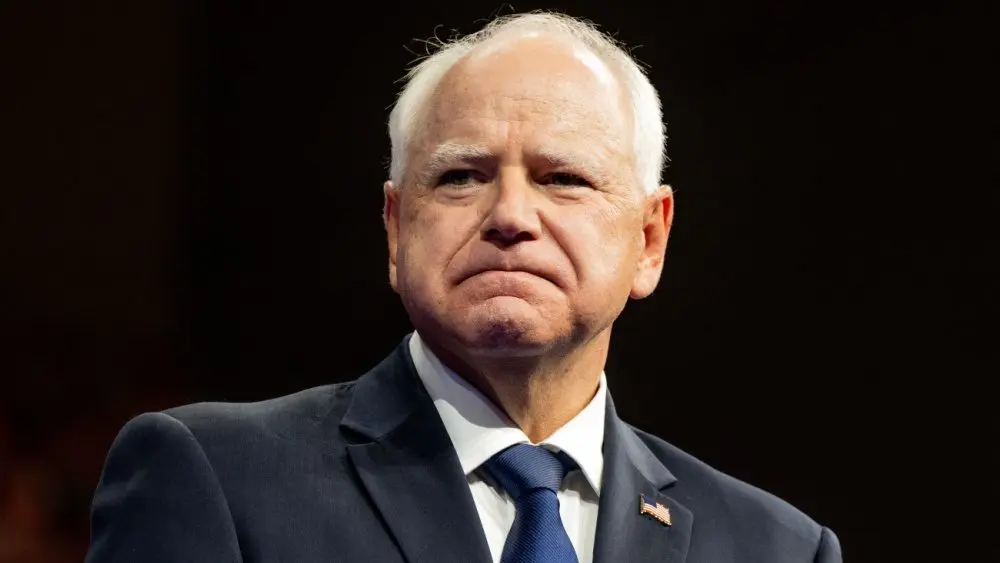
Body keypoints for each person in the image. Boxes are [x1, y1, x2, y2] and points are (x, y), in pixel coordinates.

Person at [85, 11, 841, 563]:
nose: (510, 215)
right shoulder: (218, 476)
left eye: (563, 178)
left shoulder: (775, 547)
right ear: (395, 227)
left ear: (649, 239)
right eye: (460, 176)